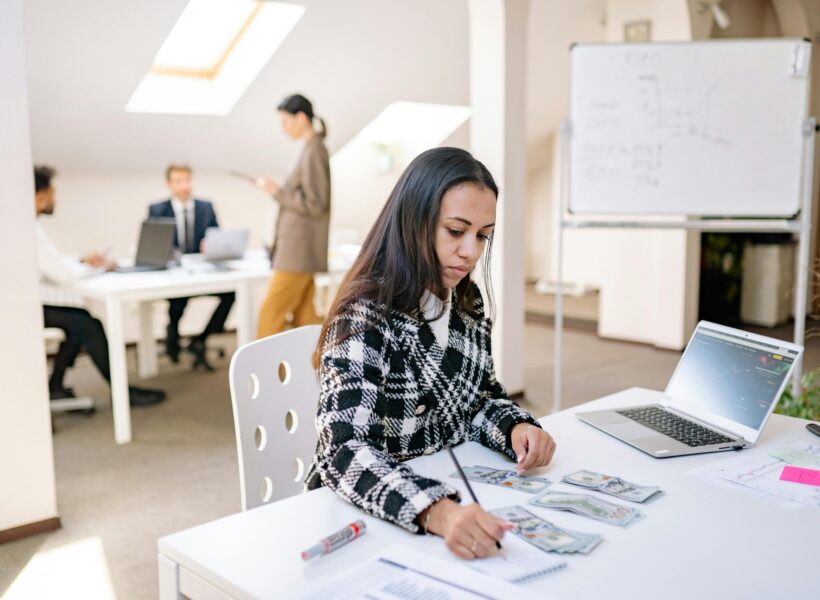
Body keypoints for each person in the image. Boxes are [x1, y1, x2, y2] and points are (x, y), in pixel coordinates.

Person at [305, 147, 556, 560]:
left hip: (447, 494)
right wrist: (437, 512)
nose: (471, 252)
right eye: (456, 231)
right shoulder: (363, 319)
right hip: (369, 512)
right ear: (413, 222)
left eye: (482, 236)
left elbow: (479, 398)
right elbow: (343, 452)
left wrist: (515, 429)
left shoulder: (466, 304)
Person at [35, 165, 166, 407]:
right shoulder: (28, 229)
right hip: (23, 312)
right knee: (87, 325)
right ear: (39, 197)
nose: (54, 200)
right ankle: (123, 394)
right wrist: (97, 268)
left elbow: (51, 263)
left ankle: (55, 387)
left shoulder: (31, 226)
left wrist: (82, 261)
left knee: (80, 322)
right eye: (52, 194)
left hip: (25, 305)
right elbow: (59, 274)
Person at [255, 93, 331, 338]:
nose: (283, 129)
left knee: (270, 314)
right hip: (297, 251)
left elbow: (316, 203)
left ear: (300, 118)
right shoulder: (309, 149)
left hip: (297, 253)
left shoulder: (314, 150)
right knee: (305, 318)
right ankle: (313, 373)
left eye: (285, 122)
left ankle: (264, 373)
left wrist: (277, 191)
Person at [148, 164, 235, 370]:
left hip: (201, 272)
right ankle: (172, 333)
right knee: (178, 300)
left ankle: (201, 340)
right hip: (173, 274)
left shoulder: (205, 207)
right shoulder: (158, 209)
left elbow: (216, 238)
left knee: (230, 295)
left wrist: (211, 245)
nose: (184, 185)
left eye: (187, 180)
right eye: (179, 181)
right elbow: (154, 245)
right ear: (170, 184)